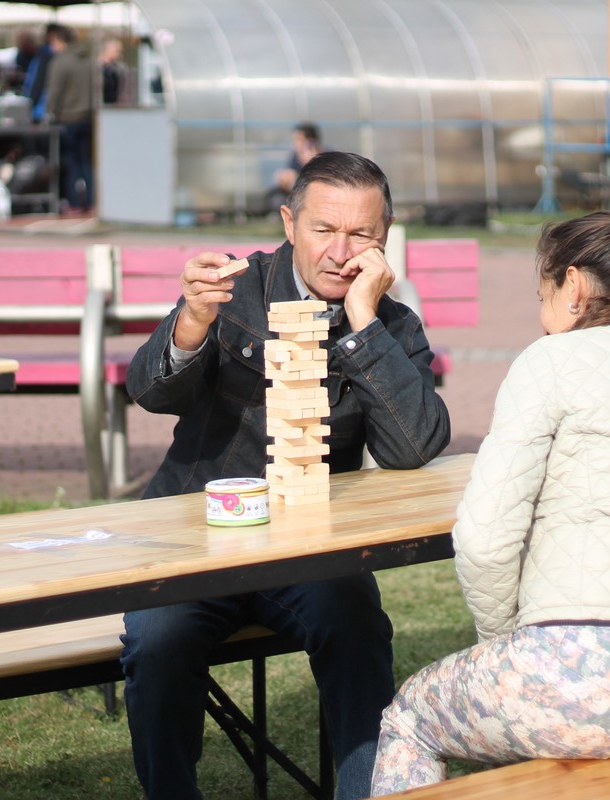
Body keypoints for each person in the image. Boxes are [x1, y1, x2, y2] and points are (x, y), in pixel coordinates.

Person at [369, 211, 610, 795]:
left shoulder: (552, 361)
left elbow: (485, 538)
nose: (539, 307)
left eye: (541, 290)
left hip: (573, 674)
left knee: (409, 721)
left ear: (572, 285)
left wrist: (501, 642)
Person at [119, 151, 451, 800]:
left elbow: (415, 445)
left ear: (385, 240)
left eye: (363, 235)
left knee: (357, 624)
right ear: (289, 223)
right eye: (324, 230)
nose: (341, 251)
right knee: (157, 643)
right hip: (197, 538)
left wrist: (361, 320)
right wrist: (190, 324)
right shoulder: (236, 290)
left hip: (310, 549)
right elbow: (149, 392)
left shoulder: (391, 323)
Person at [45, 25, 94, 213]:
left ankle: (74, 202)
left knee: (71, 162)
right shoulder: (88, 60)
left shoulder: (60, 62)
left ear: (59, 40)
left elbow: (54, 92)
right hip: (88, 116)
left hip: (68, 118)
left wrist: (50, 113)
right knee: (87, 162)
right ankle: (91, 201)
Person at [273, 121, 322, 196]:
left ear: (310, 142)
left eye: (298, 139)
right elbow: (292, 175)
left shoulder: (327, 155)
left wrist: (311, 163)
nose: (295, 144)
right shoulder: (295, 156)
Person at [99, 38, 128, 105]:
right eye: (117, 51)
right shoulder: (99, 68)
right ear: (108, 50)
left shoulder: (116, 69)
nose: (119, 54)